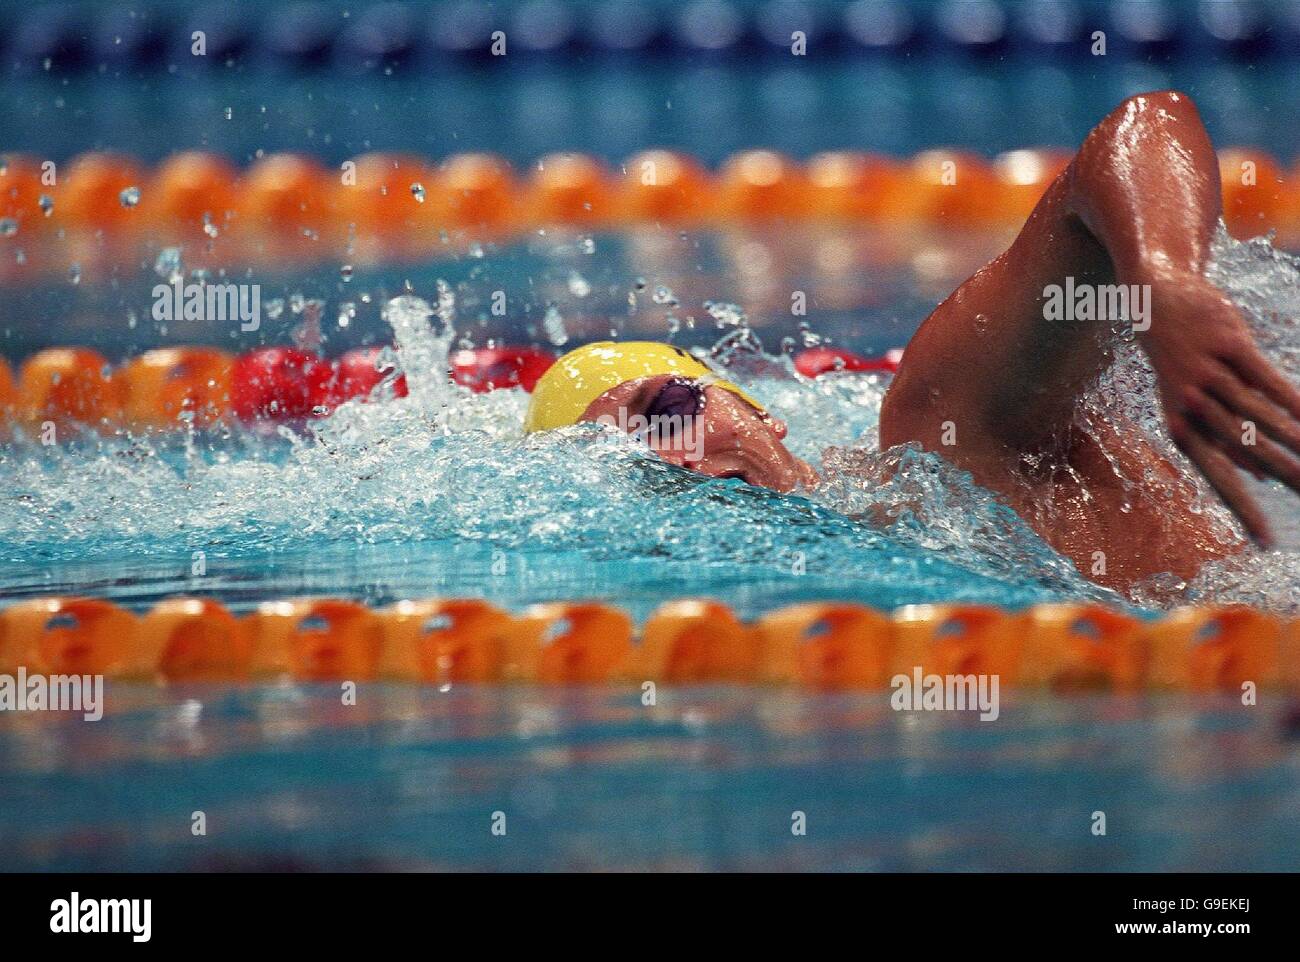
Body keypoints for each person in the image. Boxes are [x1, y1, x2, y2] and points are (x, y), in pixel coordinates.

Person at [524, 91, 1300, 592]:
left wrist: (1165, 284)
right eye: (629, 464)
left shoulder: (941, 439)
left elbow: (1142, 128)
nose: (674, 457)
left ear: (761, 411)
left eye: (667, 411)